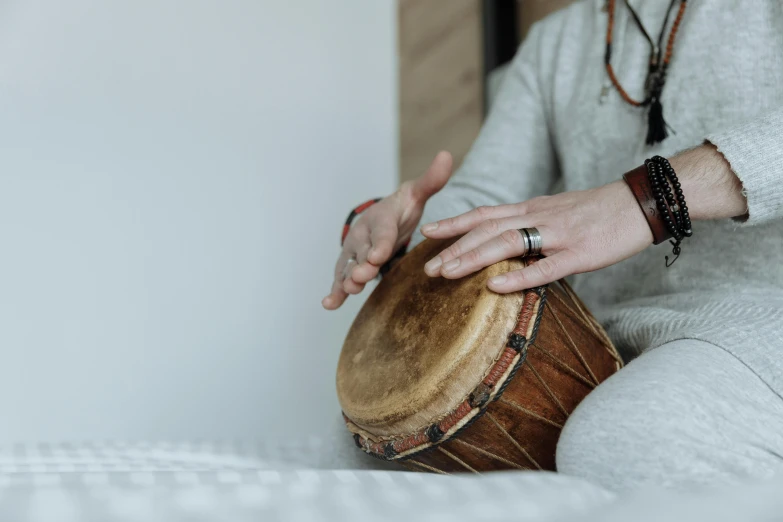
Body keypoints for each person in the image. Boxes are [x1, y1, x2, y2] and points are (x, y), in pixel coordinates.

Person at [322, 0, 783, 492]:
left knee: (623, 438)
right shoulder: (556, 40)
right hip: (593, 331)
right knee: (368, 449)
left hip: (756, 319)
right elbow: (490, 199)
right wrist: (407, 236)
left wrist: (644, 200)